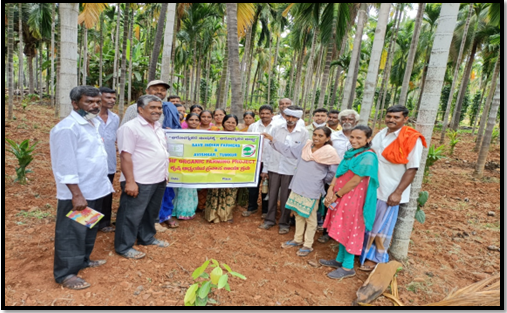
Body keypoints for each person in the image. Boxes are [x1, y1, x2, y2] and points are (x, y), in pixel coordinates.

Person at [50, 85, 113, 290]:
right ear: (75, 103)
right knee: (71, 233)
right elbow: (65, 165)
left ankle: (83, 260)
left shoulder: (91, 123)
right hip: (77, 193)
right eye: (89, 102)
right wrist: (76, 194)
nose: (95, 106)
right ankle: (66, 273)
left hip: (95, 188)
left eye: (97, 102)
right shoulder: (68, 128)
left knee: (87, 228)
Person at [360, 105, 426, 272]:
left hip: (390, 190)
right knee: (369, 222)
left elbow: (412, 169)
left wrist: (397, 193)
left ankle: (375, 258)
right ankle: (362, 252)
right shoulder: (382, 133)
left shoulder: (411, 138)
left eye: (396, 117)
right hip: (372, 187)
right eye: (389, 116)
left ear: (405, 119)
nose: (391, 120)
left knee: (382, 227)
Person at [263, 127, 340, 257]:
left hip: (313, 187)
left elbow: (333, 173)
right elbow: (288, 151)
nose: (316, 137)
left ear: (327, 138)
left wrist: (319, 179)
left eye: (320, 136)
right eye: (315, 134)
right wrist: (272, 140)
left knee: (310, 216)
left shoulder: (330, 152)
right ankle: (297, 239)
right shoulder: (307, 146)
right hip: (298, 184)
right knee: (298, 213)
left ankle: (308, 244)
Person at [319, 125, 379, 279]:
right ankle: (339, 260)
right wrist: (331, 188)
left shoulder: (368, 156)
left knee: (351, 228)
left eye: (359, 138)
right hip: (342, 196)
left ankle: (348, 267)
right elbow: (339, 172)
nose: (354, 140)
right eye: (352, 137)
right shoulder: (350, 154)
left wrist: (337, 195)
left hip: (354, 199)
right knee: (343, 226)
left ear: (368, 139)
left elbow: (355, 181)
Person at [115, 95, 170, 259]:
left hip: (158, 178)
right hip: (139, 180)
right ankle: (124, 247)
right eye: (152, 107)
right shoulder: (130, 128)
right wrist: (130, 181)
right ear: (140, 109)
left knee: (150, 212)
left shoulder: (157, 127)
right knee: (130, 214)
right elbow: (125, 156)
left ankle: (146, 238)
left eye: (159, 108)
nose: (157, 111)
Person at [259, 106, 309, 234]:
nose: (290, 119)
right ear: (285, 116)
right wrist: (265, 168)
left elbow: (302, 153)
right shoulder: (276, 128)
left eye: (294, 117)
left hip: (291, 170)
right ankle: (269, 220)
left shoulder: (303, 132)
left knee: (286, 197)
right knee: (272, 195)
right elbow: (269, 149)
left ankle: (284, 223)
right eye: (288, 116)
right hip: (274, 167)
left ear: (298, 118)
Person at [317, 109, 359, 243]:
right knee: (328, 202)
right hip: (332, 177)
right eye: (344, 119)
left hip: (352, 179)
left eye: (350, 119)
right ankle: (326, 231)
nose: (347, 122)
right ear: (340, 122)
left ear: (356, 122)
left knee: (345, 206)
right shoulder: (333, 137)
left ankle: (341, 233)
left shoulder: (360, 138)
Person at [205, 114, 240, 223]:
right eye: (228, 122)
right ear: (223, 122)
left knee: (230, 191)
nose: (230, 124)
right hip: (217, 167)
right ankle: (213, 215)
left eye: (233, 122)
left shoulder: (241, 136)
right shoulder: (215, 134)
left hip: (233, 168)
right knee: (215, 190)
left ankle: (226, 215)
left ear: (236, 124)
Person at [242, 105, 274, 218]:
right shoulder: (253, 126)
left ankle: (265, 210)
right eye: (262, 113)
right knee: (253, 186)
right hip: (255, 161)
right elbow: (247, 142)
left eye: (267, 113)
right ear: (259, 114)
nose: (264, 115)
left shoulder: (277, 127)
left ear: (272, 114)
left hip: (271, 161)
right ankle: (252, 207)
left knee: (267, 186)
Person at [95, 87, 120, 233]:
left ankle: (104, 223)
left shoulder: (115, 118)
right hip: (93, 163)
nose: (112, 101)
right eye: (108, 98)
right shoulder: (90, 118)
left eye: (113, 98)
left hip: (109, 161)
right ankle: (88, 223)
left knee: (107, 192)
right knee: (91, 193)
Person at [172, 113, 200, 220]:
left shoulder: (204, 135)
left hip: (196, 165)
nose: (194, 122)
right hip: (181, 165)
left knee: (190, 188)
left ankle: (187, 210)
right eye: (191, 119)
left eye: (196, 120)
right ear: (186, 121)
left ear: (199, 122)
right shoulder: (180, 133)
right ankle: (176, 210)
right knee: (180, 187)